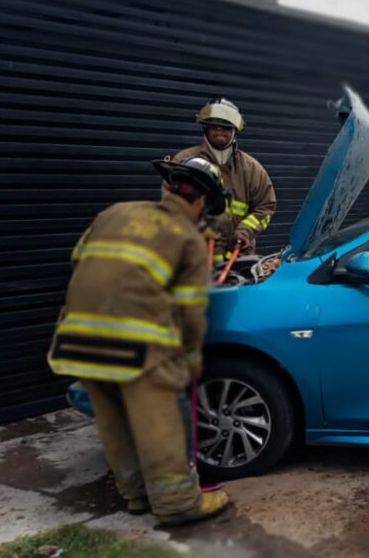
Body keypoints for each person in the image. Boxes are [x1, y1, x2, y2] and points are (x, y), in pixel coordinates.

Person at [47, 157, 231, 527]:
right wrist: (192, 359)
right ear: (200, 203)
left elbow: (79, 261)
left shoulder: (113, 213)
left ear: (168, 188)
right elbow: (191, 312)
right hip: (133, 346)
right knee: (157, 421)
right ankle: (177, 501)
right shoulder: (189, 239)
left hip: (76, 338)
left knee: (113, 419)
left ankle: (135, 495)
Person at [173, 98, 276, 262]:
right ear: (205, 127)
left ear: (235, 129)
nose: (220, 130)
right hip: (195, 259)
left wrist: (246, 230)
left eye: (226, 125)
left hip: (238, 260)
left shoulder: (252, 169)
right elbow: (171, 207)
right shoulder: (184, 162)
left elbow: (266, 206)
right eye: (214, 125)